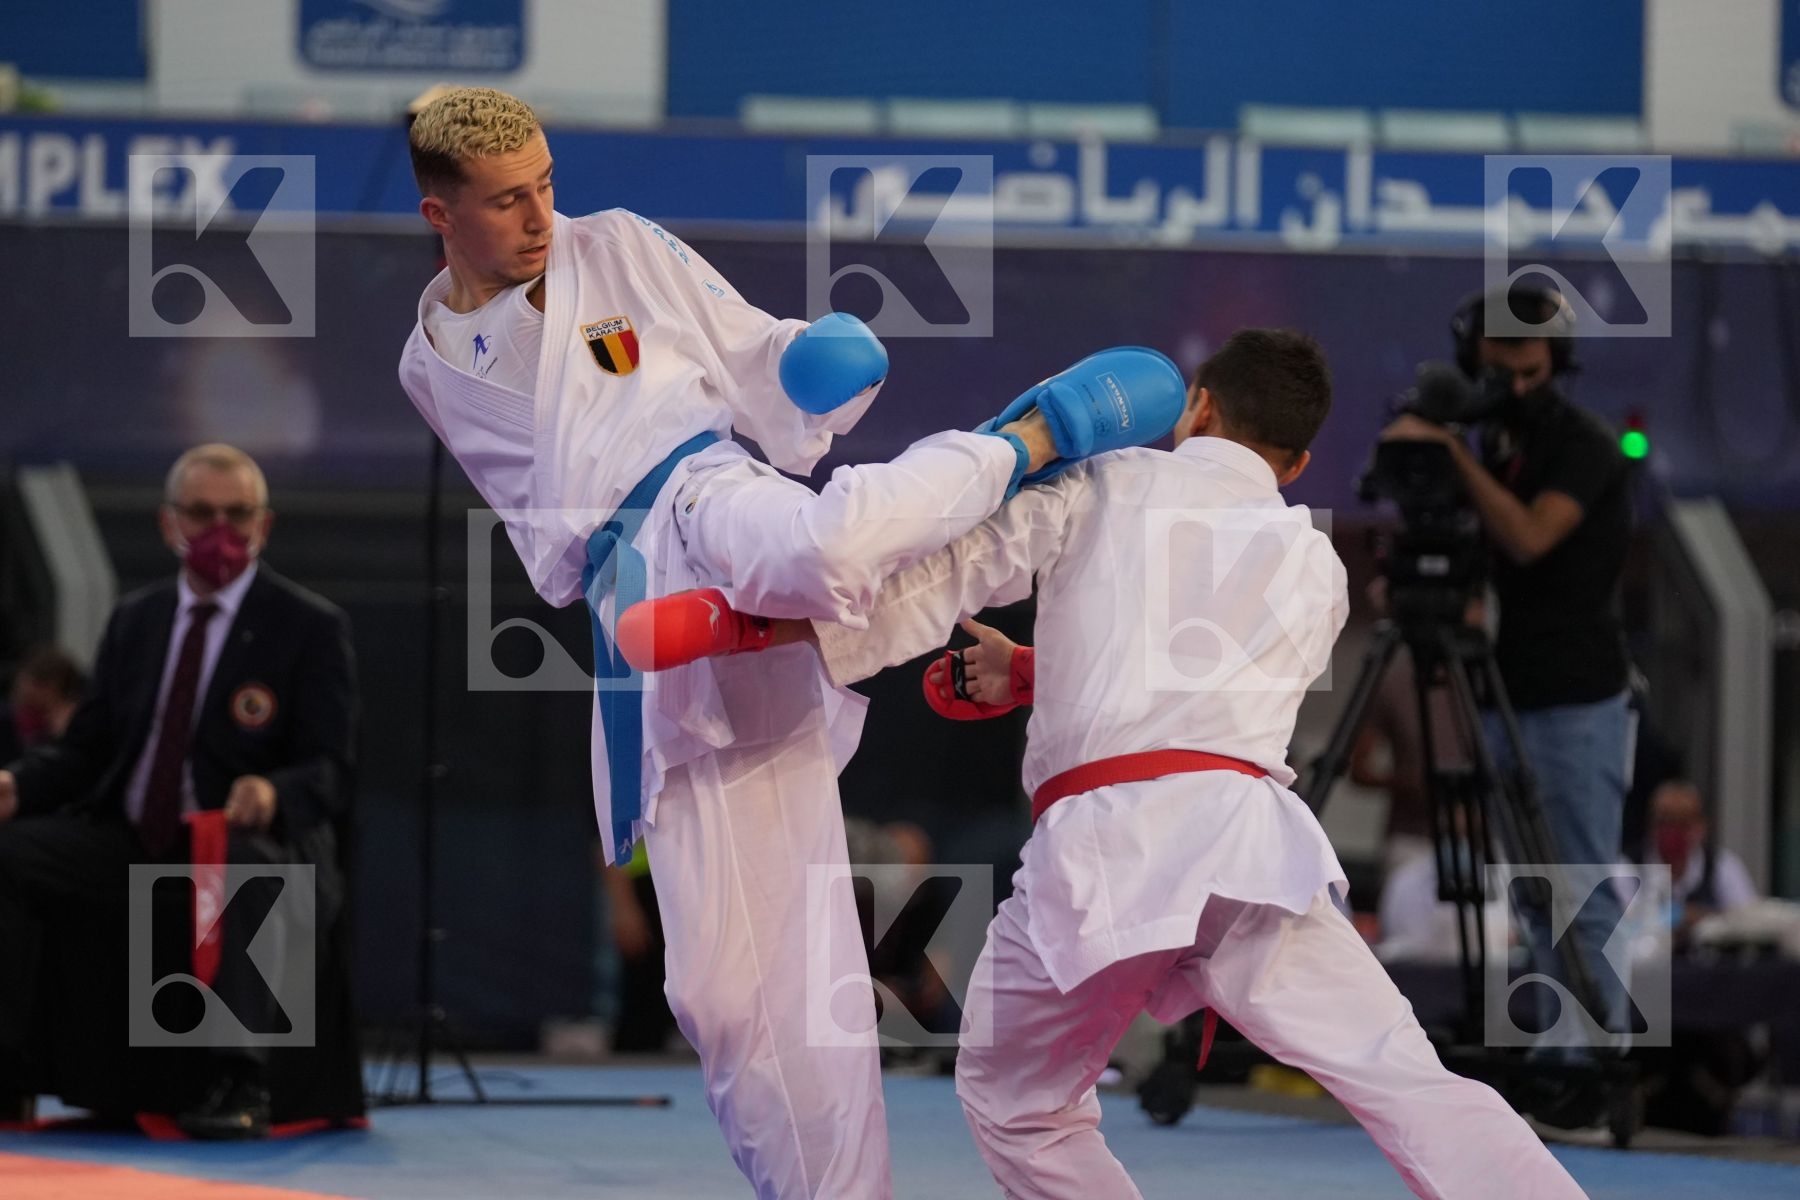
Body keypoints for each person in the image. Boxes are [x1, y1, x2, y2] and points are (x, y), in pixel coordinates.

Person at [395, 86, 1185, 1199]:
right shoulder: (428, 364)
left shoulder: (615, 244)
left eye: (547, 185)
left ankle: (1027, 443)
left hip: (706, 489)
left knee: (826, 550)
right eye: (507, 201)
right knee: (728, 995)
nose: (539, 218)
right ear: (439, 214)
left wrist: (808, 364)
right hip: (644, 616)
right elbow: (544, 510)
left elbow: (749, 346)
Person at [629, 329, 1588, 1199]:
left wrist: (763, 627)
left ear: (1197, 407)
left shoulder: (1107, 481)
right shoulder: (1317, 562)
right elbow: (1199, 694)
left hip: (1107, 854)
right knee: (1405, 1078)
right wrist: (1034, 673)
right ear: (1297, 463)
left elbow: (941, 575)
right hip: (1251, 852)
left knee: (1019, 1100)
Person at [0, 444, 357, 1138]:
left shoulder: (307, 626)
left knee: (246, 866)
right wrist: (16, 783)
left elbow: (332, 767)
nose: (221, 531)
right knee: (12, 854)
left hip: (243, 836)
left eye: (237, 514)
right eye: (201, 513)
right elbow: (86, 750)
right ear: (169, 524)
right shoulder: (136, 620)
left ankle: (238, 1080)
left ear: (264, 525)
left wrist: (273, 791)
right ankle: (8, 1070)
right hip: (135, 833)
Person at [1382, 284, 1635, 1076]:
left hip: (1577, 698)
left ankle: (1595, 1067)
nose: (1516, 388)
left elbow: (1528, 537)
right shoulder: (1490, 441)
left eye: (1531, 372)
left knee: (1580, 887)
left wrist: (1450, 451)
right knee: (1531, 893)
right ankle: (1558, 1053)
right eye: (1499, 374)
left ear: (1556, 362)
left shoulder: (1585, 445)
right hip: (1504, 691)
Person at [0, 646, 86, 764]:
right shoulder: (9, 718)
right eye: (24, 680)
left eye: (39, 684)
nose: (26, 689)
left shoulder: (75, 720)